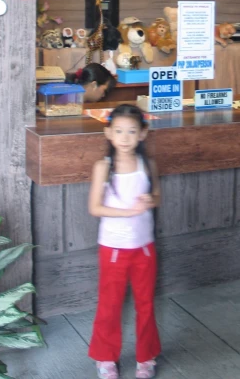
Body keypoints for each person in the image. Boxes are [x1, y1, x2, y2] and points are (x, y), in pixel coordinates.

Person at [88, 104, 161, 379]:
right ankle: (105, 358)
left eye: (132, 131)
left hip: (144, 246)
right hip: (113, 247)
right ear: (108, 133)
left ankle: (147, 357)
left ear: (143, 133)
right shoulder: (103, 167)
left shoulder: (148, 165)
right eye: (118, 131)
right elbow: (95, 207)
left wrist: (151, 200)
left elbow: (157, 195)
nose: (125, 137)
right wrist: (127, 212)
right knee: (110, 304)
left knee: (145, 303)